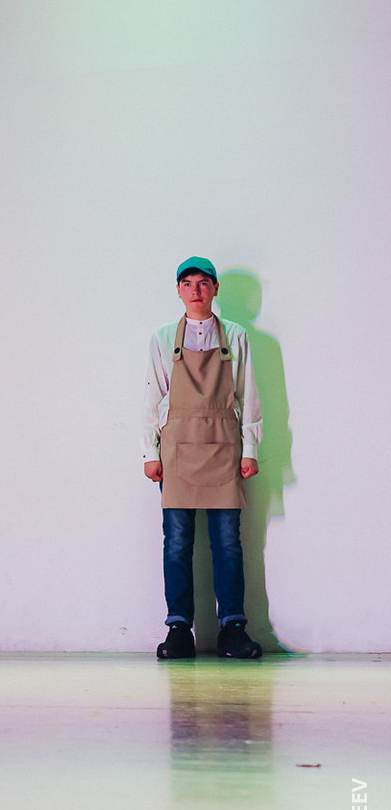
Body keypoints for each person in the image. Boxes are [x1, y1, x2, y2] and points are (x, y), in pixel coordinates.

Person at [143, 258, 262, 660]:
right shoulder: (162, 338)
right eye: (187, 283)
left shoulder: (236, 336)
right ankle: (179, 628)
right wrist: (150, 452)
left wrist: (250, 449)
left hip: (224, 449)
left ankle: (233, 628)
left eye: (203, 283)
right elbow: (153, 396)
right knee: (177, 543)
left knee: (228, 543)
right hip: (176, 451)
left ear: (214, 289)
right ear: (178, 290)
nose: (196, 290)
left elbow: (248, 395)